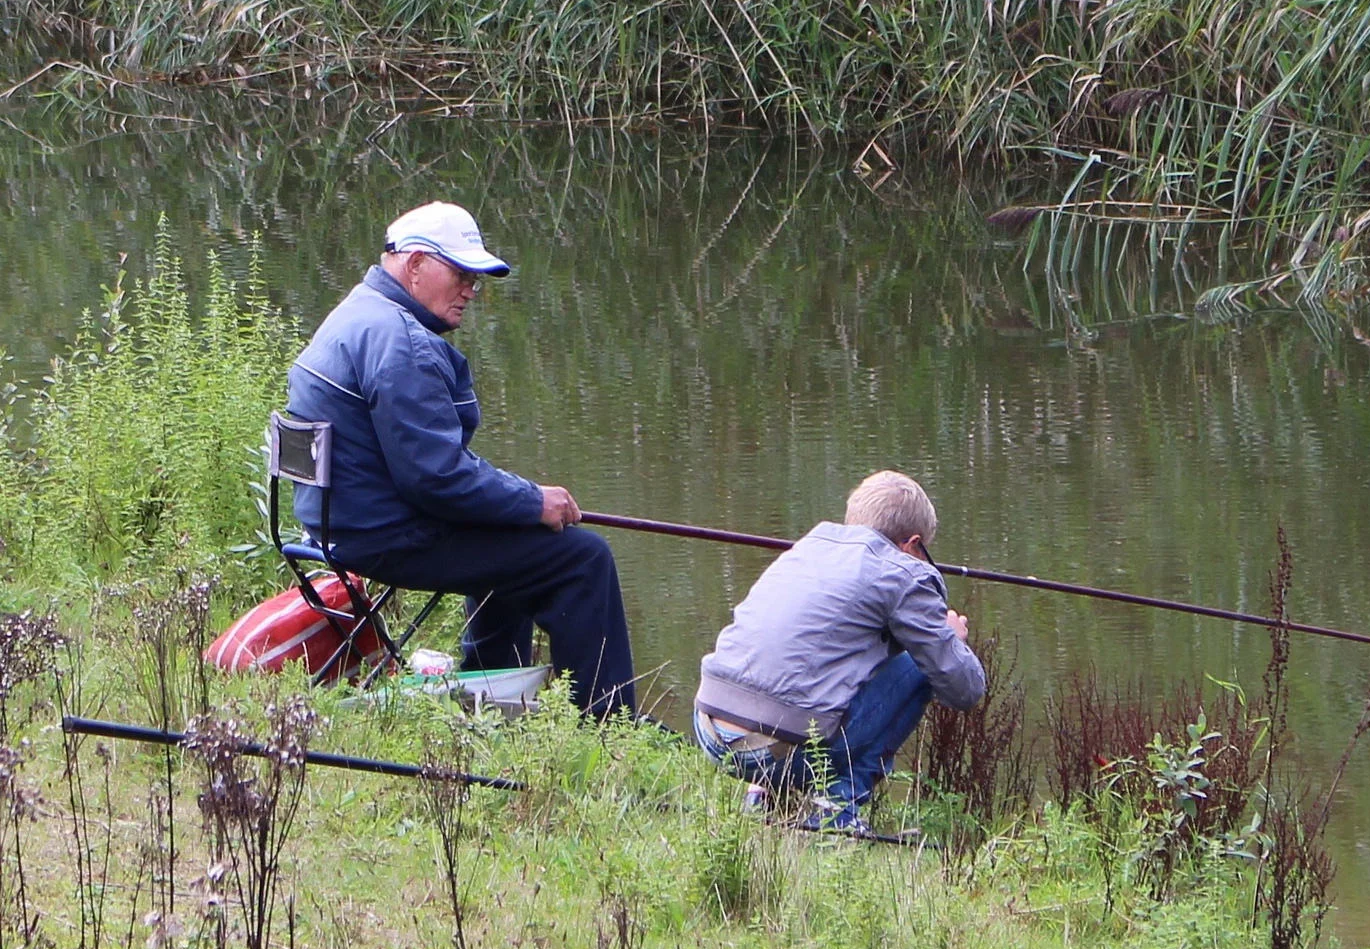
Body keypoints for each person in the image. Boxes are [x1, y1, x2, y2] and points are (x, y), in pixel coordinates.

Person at [285, 201, 638, 717]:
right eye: (461, 274)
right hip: (383, 537)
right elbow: (437, 480)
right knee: (583, 558)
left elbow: (430, 470)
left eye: (476, 278)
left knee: (509, 526)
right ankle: (607, 724)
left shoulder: (354, 314)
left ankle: (491, 695)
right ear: (415, 264)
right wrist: (533, 500)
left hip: (335, 526)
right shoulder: (402, 342)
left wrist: (516, 503)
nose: (472, 289)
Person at [693, 471, 986, 832]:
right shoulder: (904, 574)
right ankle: (838, 811)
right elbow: (965, 689)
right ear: (913, 544)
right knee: (920, 664)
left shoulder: (808, 548)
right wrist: (950, 639)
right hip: (775, 753)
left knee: (815, 664)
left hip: (709, 731)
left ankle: (762, 797)